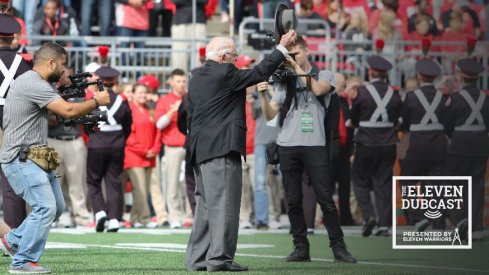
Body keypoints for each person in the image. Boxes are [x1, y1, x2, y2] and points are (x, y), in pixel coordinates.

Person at [185, 30, 297, 272]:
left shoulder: (195, 78)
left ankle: (197, 260)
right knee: (225, 206)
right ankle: (220, 259)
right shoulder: (226, 72)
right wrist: (281, 48)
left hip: (200, 150)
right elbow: (259, 73)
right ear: (224, 57)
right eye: (235, 56)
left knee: (205, 208)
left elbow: (188, 115)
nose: (237, 60)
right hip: (222, 148)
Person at [0, 42, 110, 274]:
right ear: (51, 62)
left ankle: (14, 240)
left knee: (57, 207)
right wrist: (95, 102)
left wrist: (71, 85)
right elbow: (68, 111)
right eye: (62, 64)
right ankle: (22, 262)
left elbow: (61, 100)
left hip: (37, 155)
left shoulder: (37, 82)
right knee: (46, 207)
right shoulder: (32, 83)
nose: (63, 69)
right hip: (22, 157)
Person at [260, 36, 356, 263]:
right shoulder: (286, 80)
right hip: (287, 145)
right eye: (290, 55)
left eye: (296, 54)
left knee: (325, 198)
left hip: (315, 145)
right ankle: (300, 247)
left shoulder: (324, 75)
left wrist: (292, 65)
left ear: (306, 51)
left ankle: (338, 247)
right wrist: (264, 93)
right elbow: (269, 114)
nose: (293, 58)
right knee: (293, 200)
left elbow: (319, 90)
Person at [349, 54, 402, 237]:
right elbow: (397, 118)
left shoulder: (362, 93)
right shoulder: (394, 94)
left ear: (370, 72)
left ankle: (368, 216)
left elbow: (354, 118)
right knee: (384, 184)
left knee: (359, 180)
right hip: (388, 143)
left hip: (366, 142)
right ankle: (384, 225)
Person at [443, 58, 489, 241]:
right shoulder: (486, 99)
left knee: (455, 186)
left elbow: (447, 125)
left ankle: (460, 222)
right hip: (480, 145)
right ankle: (476, 227)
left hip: (460, 145)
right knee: (476, 186)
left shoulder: (454, 99)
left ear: (462, 76)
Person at [400, 59, 448, 232]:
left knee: (407, 180)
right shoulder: (444, 97)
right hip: (438, 144)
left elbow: (404, 122)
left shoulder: (412, 97)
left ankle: (418, 218)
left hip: (418, 144)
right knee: (436, 184)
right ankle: (438, 223)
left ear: (419, 76)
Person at [86, 66, 132, 233]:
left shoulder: (93, 100)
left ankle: (99, 213)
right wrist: (119, 140)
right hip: (117, 145)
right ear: (115, 81)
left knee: (93, 181)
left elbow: (87, 123)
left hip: (96, 144)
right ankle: (114, 219)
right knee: (113, 182)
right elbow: (128, 125)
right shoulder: (122, 101)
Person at [47, 67, 92, 227]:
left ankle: (80, 215)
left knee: (77, 181)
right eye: (65, 74)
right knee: (54, 181)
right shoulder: (50, 90)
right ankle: (52, 217)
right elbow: (49, 116)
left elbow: (80, 114)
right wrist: (67, 113)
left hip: (74, 139)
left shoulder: (78, 92)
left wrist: (65, 113)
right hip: (54, 139)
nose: (68, 77)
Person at [0, 13, 32, 232]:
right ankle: (14, 237)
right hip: (14, 120)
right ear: (13, 38)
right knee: (12, 181)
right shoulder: (24, 64)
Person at [124, 84, 161, 228]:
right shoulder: (130, 110)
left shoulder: (150, 110)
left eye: (145, 93)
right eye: (140, 92)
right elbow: (129, 135)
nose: (143, 95)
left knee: (143, 190)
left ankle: (134, 218)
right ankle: (145, 218)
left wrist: (154, 149)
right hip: (134, 156)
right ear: (133, 94)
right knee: (139, 188)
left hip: (149, 156)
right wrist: (145, 150)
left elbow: (158, 132)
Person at [155, 68, 188, 229]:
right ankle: (175, 216)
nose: (181, 84)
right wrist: (173, 110)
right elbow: (159, 124)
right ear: (171, 82)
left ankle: (190, 215)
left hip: (189, 146)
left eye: (183, 81)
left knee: (190, 184)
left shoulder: (190, 98)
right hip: (173, 147)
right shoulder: (165, 100)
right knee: (172, 184)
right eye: (178, 81)